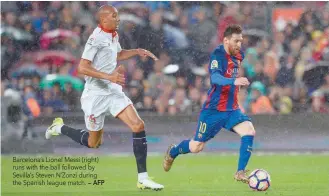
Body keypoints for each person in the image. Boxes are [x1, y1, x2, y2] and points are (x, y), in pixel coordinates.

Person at [45, 5, 164, 191]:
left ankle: (143, 178)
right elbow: (82, 68)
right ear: (103, 20)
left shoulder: (113, 35)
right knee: (94, 143)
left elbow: (117, 54)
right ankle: (59, 127)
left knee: (138, 125)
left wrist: (137, 51)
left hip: (112, 90)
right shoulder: (95, 38)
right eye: (114, 16)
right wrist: (109, 76)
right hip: (95, 95)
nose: (118, 19)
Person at [163, 24, 256, 183]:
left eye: (241, 41)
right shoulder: (217, 55)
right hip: (213, 111)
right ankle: (173, 151)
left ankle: (240, 172)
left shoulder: (239, 55)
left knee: (249, 131)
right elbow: (215, 79)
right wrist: (235, 81)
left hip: (232, 110)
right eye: (236, 41)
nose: (239, 45)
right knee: (196, 147)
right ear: (226, 41)